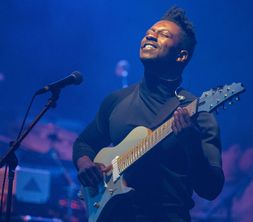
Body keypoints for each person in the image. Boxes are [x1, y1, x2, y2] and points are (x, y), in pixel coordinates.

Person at [73, 6, 224, 222]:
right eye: (149, 32)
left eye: (163, 34)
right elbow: (84, 143)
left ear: (181, 56)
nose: (151, 35)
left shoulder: (198, 112)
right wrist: (85, 163)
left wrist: (191, 144)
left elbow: (211, 188)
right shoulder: (117, 100)